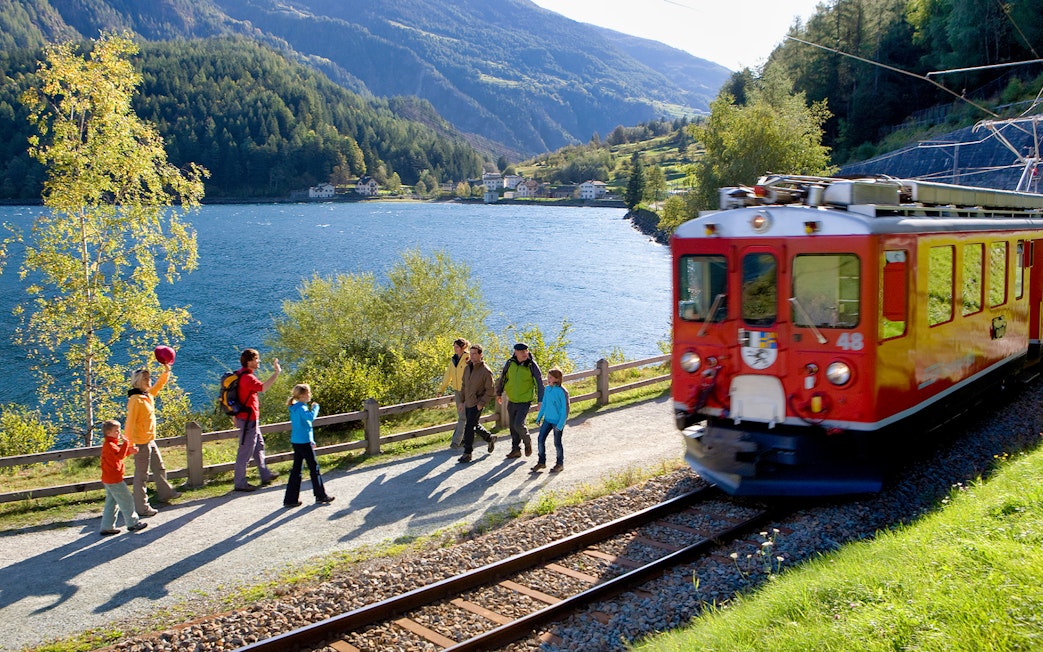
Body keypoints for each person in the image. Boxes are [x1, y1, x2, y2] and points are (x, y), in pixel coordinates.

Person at [127, 363, 180, 517]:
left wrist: (167, 371)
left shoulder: (147, 395)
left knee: (159, 467)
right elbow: (129, 423)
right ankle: (142, 507)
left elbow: (159, 385)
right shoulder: (135, 400)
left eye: (149, 377)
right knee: (142, 476)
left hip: (150, 439)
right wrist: (130, 444)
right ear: (137, 381)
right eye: (145, 378)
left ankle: (166, 493)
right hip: (140, 442)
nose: (148, 380)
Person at [233, 348, 281, 492]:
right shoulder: (248, 378)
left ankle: (265, 474)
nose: (258, 361)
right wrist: (276, 373)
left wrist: (235, 416)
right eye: (256, 359)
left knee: (258, 445)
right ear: (249, 362)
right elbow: (263, 388)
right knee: (245, 451)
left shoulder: (240, 375)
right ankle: (240, 482)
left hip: (248, 418)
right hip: (249, 420)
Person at [283, 384, 335, 507]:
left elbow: (303, 426)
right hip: (304, 442)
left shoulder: (294, 408)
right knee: (314, 468)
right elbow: (310, 418)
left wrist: (311, 439)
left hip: (296, 441)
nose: (310, 395)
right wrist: (316, 408)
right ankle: (320, 495)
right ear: (302, 395)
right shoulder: (302, 408)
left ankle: (290, 499)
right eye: (308, 393)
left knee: (296, 470)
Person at [99, 419, 148, 535]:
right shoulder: (110, 445)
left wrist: (129, 451)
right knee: (127, 501)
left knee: (112, 502)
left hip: (108, 479)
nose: (119, 433)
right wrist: (126, 443)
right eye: (116, 431)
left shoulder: (109, 444)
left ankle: (107, 526)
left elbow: (117, 455)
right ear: (108, 433)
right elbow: (120, 455)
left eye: (119, 430)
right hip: (115, 479)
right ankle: (133, 523)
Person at [496, 343, 544, 459]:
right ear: (516, 352)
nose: (524, 354)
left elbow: (539, 383)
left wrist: (540, 400)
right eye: (521, 352)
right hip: (512, 399)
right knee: (512, 426)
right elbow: (503, 378)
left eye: (526, 351)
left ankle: (527, 442)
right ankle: (515, 450)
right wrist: (499, 393)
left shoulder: (531, 365)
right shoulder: (510, 363)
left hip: (525, 400)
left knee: (518, 424)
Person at [458, 343, 496, 464]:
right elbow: (464, 385)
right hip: (468, 402)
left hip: (477, 403)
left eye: (475, 353)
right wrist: (461, 401)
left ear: (480, 355)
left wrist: (481, 403)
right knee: (473, 425)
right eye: (471, 353)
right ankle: (489, 438)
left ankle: (467, 453)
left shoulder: (485, 371)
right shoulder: (467, 368)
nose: (472, 356)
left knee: (469, 427)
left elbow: (490, 390)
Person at [532, 368, 569, 473]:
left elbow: (565, 409)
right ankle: (541, 462)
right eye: (548, 377)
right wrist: (539, 417)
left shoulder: (562, 392)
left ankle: (559, 464)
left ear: (557, 379)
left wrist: (561, 424)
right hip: (547, 420)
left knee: (557, 443)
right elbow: (544, 404)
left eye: (550, 377)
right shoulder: (547, 389)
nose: (547, 379)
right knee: (540, 439)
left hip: (557, 422)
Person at [437, 338, 470, 449]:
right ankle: (486, 436)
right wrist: (441, 389)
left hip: (466, 391)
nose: (455, 349)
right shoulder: (453, 360)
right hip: (457, 391)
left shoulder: (468, 358)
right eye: (454, 346)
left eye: (457, 346)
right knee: (465, 416)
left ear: (463, 347)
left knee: (462, 417)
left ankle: (456, 442)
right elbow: (448, 375)